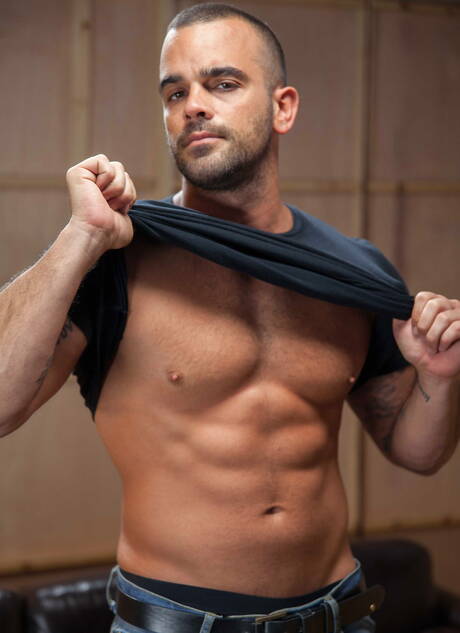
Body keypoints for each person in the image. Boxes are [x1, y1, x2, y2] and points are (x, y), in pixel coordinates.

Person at [1, 3, 459, 633]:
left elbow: (417, 453)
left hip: (339, 614)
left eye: (222, 83)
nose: (193, 105)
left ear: (282, 107)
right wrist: (80, 237)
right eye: (175, 93)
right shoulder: (114, 261)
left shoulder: (351, 272)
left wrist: (439, 377)